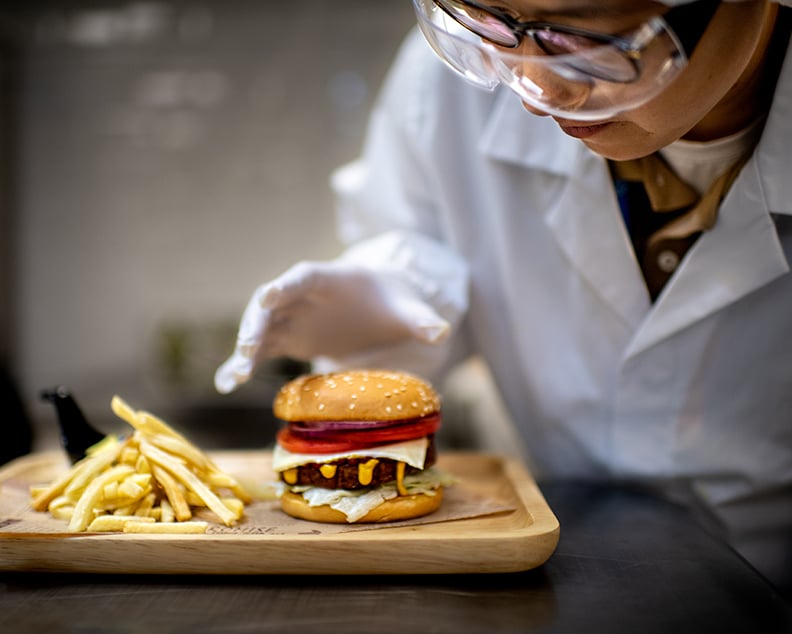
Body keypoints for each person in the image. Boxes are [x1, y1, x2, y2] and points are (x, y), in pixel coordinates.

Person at [216, 0, 792, 590]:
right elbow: (424, 248)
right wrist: (388, 297)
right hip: (546, 571)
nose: (535, 90)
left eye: (582, 39)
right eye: (488, 22)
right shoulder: (447, 89)